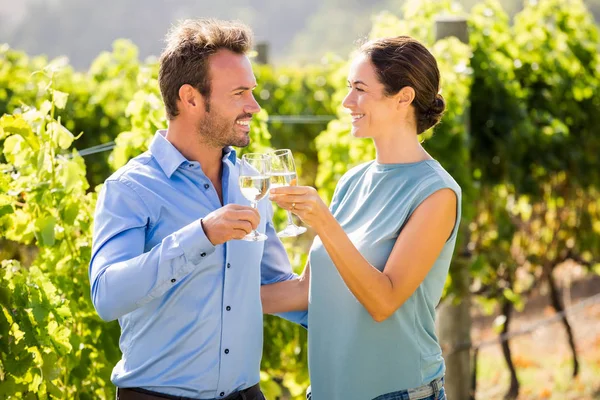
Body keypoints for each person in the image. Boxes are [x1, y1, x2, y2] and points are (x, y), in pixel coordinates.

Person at [89, 19, 306, 400]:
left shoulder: (251, 182)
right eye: (239, 93)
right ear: (190, 98)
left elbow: (271, 289)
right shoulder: (131, 188)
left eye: (252, 92)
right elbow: (107, 296)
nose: (253, 106)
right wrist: (201, 235)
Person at [263, 36, 461, 400]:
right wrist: (213, 298)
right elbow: (306, 291)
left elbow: (383, 301)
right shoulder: (353, 180)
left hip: (398, 393)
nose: (346, 101)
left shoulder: (436, 193)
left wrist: (323, 222)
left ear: (403, 98)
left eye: (360, 89)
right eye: (348, 88)